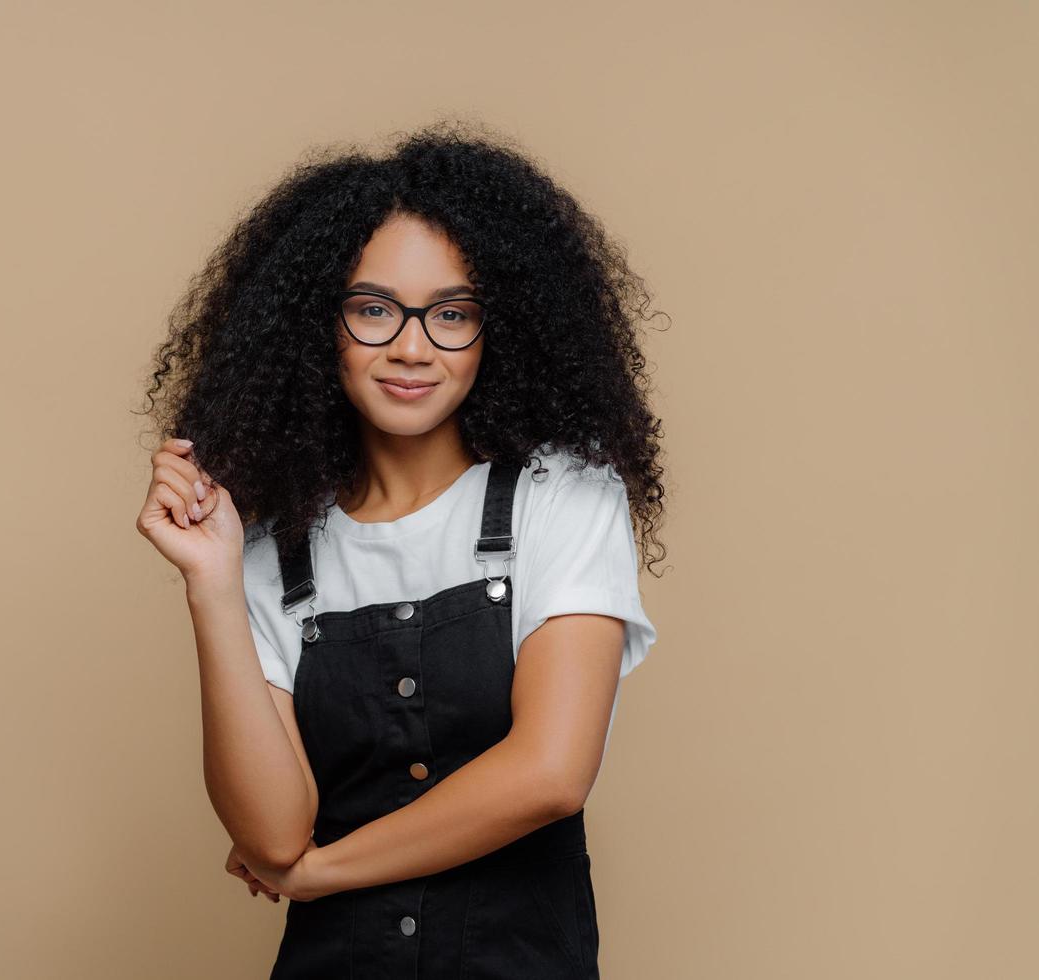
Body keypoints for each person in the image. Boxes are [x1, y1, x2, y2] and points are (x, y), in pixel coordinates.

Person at [135, 120, 666, 979]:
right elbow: (269, 829)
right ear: (319, 326)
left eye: (452, 314)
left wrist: (319, 872)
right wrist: (211, 584)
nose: (412, 346)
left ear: (501, 331)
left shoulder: (561, 498)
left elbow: (551, 774)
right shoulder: (268, 551)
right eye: (374, 309)